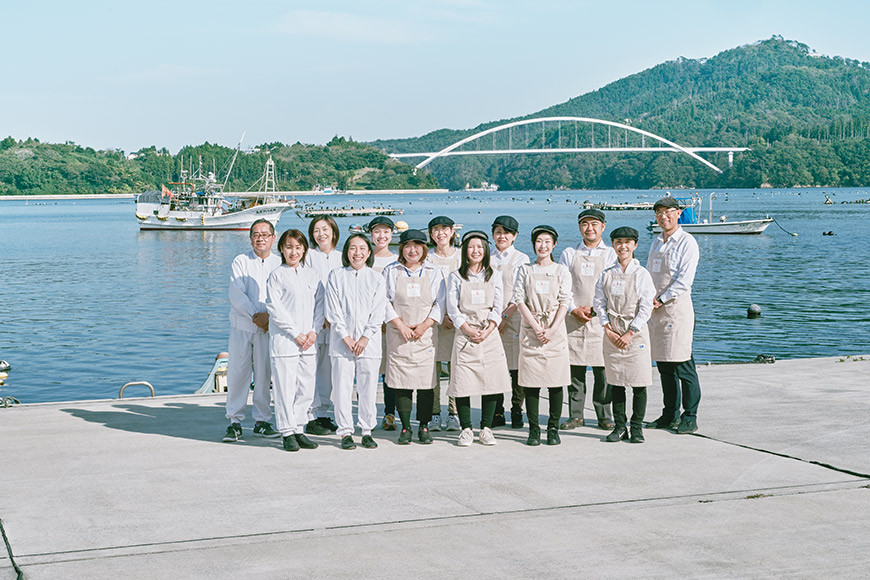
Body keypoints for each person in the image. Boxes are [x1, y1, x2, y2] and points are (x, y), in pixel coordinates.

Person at [447, 231, 511, 446]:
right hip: (465, 335)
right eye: (471, 247)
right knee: (462, 383)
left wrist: (490, 327)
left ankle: (486, 428)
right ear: (465, 250)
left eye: (480, 247)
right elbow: (452, 308)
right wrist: (466, 328)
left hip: (489, 334)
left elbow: (498, 305)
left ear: (485, 251)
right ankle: (466, 429)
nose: (476, 251)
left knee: (491, 382)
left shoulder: (494, 275)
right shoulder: (455, 276)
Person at [644, 197, 702, 435]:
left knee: (682, 363)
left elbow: (684, 280)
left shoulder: (687, 242)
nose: (663, 217)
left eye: (668, 212)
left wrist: (661, 299)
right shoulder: (657, 242)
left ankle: (690, 416)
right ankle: (669, 414)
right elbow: (648, 274)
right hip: (655, 310)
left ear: (678, 213)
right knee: (664, 365)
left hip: (676, 309)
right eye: (659, 213)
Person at [593, 227, 655, 444]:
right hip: (612, 330)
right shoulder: (606, 274)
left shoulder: (642, 274)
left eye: (628, 242)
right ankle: (620, 427)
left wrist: (631, 332)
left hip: (635, 333)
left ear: (635, 245)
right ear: (613, 245)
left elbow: (647, 307)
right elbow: (599, 303)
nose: (623, 246)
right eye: (618, 242)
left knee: (639, 383)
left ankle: (636, 427)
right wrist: (607, 328)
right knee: (616, 382)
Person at [383, 229, 445, 444]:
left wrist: (424, 326)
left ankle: (425, 426)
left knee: (426, 383)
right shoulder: (391, 271)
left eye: (418, 246)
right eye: (408, 246)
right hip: (399, 335)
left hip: (424, 335)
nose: (413, 250)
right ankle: (406, 427)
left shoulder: (433, 272)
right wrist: (400, 325)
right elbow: (383, 302)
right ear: (401, 248)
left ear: (424, 248)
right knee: (402, 383)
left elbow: (440, 303)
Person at [223, 219, 282, 442]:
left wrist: (270, 317)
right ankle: (235, 421)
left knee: (264, 374)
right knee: (238, 373)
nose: (260, 238)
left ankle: (262, 421)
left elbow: (282, 295)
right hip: (243, 326)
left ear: (273, 238)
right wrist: (256, 317)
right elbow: (236, 294)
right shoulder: (241, 261)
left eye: (265, 234)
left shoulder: (280, 262)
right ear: (250, 238)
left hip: (269, 327)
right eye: (256, 234)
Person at [325, 233, 386, 450]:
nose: (357, 253)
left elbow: (378, 312)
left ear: (369, 253)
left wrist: (365, 337)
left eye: (362, 248)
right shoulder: (336, 275)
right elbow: (333, 311)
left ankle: (367, 430)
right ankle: (345, 432)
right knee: (342, 388)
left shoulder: (377, 278)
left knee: (368, 386)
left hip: (368, 343)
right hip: (342, 343)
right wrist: (346, 337)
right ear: (346, 252)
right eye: (352, 248)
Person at [559, 209, 618, 431]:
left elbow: (614, 285)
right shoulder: (569, 253)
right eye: (585, 224)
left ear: (603, 227)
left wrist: (597, 309)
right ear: (579, 227)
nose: (589, 228)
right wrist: (574, 309)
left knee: (603, 371)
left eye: (594, 224)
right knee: (575, 371)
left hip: (601, 318)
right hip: (574, 319)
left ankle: (604, 414)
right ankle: (575, 416)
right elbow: (563, 286)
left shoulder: (611, 254)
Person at [265, 229, 324, 452]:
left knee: (307, 388)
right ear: (281, 248)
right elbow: (275, 308)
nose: (294, 252)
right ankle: (287, 431)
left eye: (298, 247)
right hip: (285, 341)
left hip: (308, 340)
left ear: (304, 250)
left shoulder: (312, 275)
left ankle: (300, 427)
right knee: (285, 388)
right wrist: (295, 333)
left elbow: (320, 305)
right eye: (289, 247)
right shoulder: (277, 275)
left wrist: (314, 331)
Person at [514, 225, 572, 446]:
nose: (543, 245)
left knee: (556, 383)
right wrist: (535, 327)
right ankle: (534, 429)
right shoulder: (525, 269)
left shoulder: (561, 270)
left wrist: (552, 329)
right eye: (539, 241)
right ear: (533, 244)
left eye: (548, 241)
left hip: (555, 330)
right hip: (531, 330)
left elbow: (565, 301)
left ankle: (553, 428)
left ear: (554, 245)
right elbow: (519, 299)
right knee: (531, 383)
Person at [490, 215, 530, 428]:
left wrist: (505, 316)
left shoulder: (520, 259)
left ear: (514, 236)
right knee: (494, 366)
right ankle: (497, 411)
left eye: (506, 232)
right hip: (491, 320)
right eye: (498, 232)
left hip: (513, 317)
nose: (502, 236)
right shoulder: (487, 257)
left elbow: (520, 292)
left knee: (516, 368)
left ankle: (516, 409)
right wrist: (495, 318)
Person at [304, 215, 342, 436]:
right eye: (316, 230)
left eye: (325, 229)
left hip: (336, 325)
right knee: (310, 369)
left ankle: (324, 414)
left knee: (328, 372)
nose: (321, 234)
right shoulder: (308, 256)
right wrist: (321, 316)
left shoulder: (341, 257)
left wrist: (333, 315)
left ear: (333, 231)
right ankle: (309, 414)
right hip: (313, 323)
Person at [427, 216, 462, 431]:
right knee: (433, 368)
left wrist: (453, 315)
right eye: (436, 230)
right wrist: (438, 316)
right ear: (431, 234)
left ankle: (454, 412)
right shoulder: (427, 258)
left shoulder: (460, 257)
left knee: (456, 368)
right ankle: (434, 413)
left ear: (452, 232)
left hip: (456, 321)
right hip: (432, 321)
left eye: (445, 229)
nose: (441, 233)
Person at [368, 216, 400, 431]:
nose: (382, 236)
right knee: (366, 370)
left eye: (386, 232)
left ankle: (390, 413)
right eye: (377, 232)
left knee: (390, 372)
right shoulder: (364, 258)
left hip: (390, 325)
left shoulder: (398, 260)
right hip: (367, 326)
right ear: (371, 235)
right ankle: (366, 413)